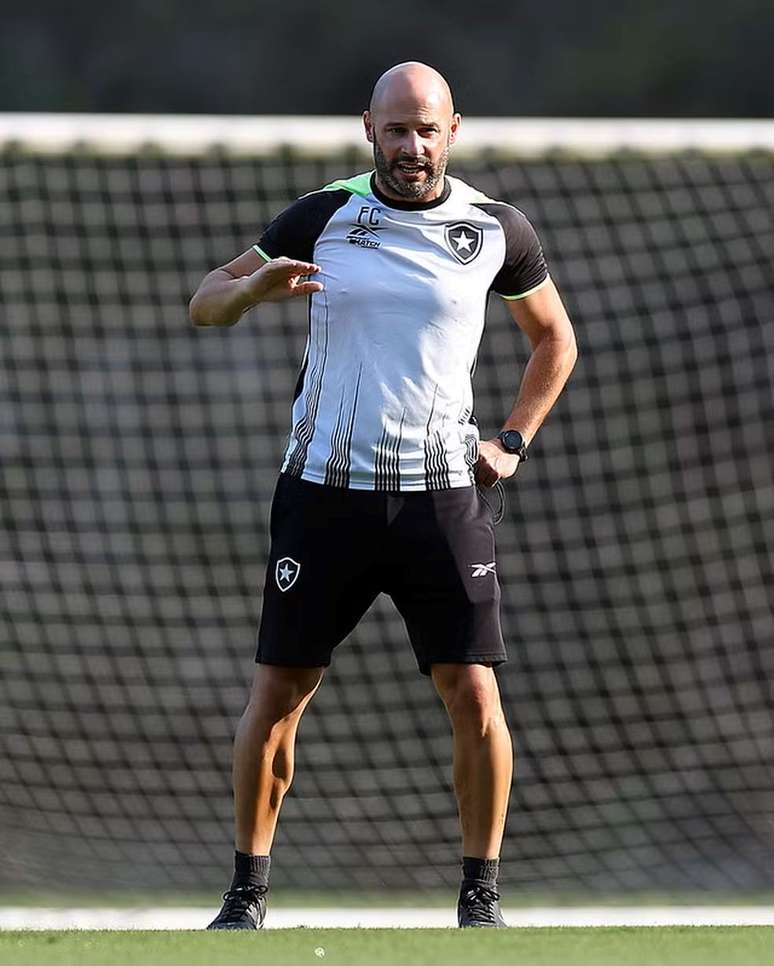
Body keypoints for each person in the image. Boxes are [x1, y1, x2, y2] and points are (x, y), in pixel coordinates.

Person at [189, 61, 577, 929]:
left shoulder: (494, 228)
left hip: (442, 499)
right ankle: (245, 897)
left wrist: (512, 439)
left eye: (426, 129)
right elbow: (203, 304)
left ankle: (481, 899)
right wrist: (253, 289)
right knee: (279, 694)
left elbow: (555, 340)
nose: (412, 147)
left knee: (475, 694)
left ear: (453, 129)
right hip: (324, 495)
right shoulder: (323, 213)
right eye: (396, 130)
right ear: (369, 128)